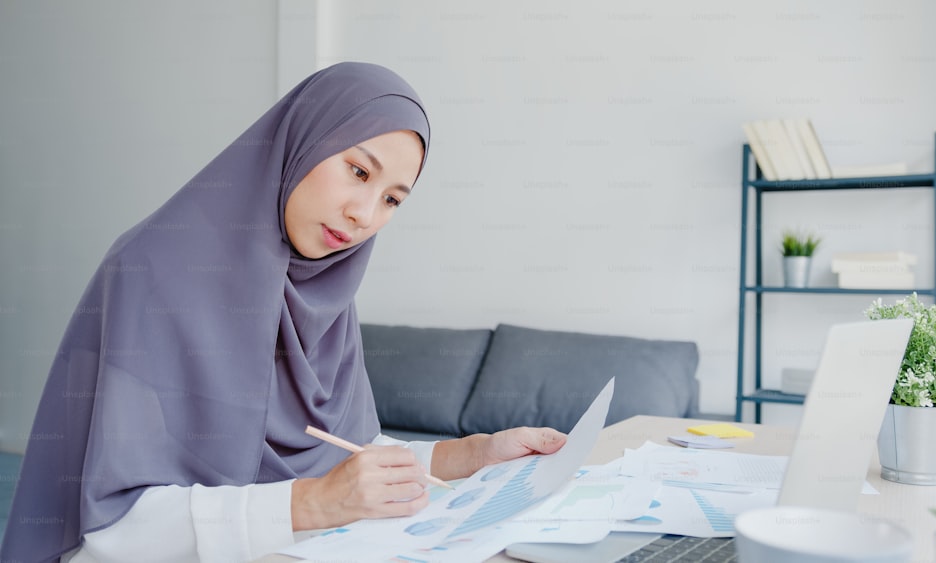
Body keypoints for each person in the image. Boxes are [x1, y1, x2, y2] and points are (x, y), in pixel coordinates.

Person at [0, 62, 566, 562]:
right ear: (302, 140)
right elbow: (114, 530)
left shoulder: (321, 291)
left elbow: (339, 456)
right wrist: (314, 503)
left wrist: (471, 454)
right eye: (359, 171)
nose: (364, 213)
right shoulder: (152, 272)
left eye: (392, 198)